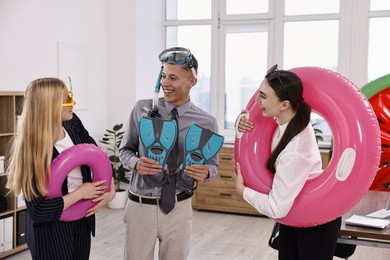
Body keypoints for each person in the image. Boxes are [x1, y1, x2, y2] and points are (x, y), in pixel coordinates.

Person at [119, 47, 219, 260]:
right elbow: (125, 150)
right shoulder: (142, 109)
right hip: (140, 207)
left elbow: (213, 166)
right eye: (163, 75)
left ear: (192, 81)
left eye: (173, 77)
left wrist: (206, 172)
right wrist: (136, 163)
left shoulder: (206, 122)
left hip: (179, 208)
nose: (165, 83)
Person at [234, 65, 341, 260]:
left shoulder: (296, 150)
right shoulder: (287, 121)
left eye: (263, 97)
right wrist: (240, 121)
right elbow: (254, 132)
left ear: (284, 104)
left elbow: (276, 207)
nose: (257, 101)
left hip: (316, 220)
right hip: (294, 213)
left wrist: (243, 191)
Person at [6, 77, 115, 260]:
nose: (74, 103)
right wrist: (80, 193)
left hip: (82, 220)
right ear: (49, 106)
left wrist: (110, 188)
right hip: (51, 232)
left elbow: (97, 154)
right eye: (67, 100)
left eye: (70, 97)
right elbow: (38, 211)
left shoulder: (72, 123)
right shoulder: (31, 150)